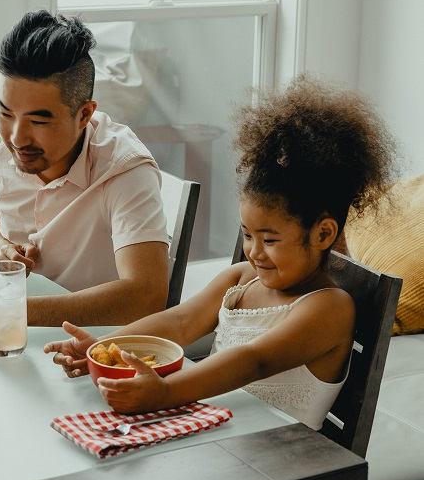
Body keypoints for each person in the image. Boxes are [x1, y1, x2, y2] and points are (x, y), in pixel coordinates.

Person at [44, 76, 397, 429]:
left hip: (281, 460)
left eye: (270, 240)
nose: (254, 252)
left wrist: (165, 393)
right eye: (247, 234)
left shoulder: (328, 307)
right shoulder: (240, 281)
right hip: (214, 432)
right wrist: (105, 346)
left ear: (322, 233)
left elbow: (252, 360)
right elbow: (180, 322)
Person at [0, 10, 170, 331]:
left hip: (96, 341)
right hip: (15, 330)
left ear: (85, 114)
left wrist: (4, 309)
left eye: (39, 121)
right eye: (6, 112)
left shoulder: (125, 170)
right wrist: (2, 247)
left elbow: (146, 296)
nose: (17, 137)